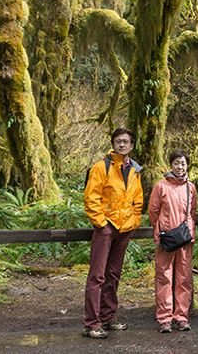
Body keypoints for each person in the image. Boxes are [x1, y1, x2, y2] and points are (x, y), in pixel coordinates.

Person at [83, 128, 143, 339]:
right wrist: (102, 223)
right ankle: (91, 323)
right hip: (106, 228)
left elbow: (138, 200)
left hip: (124, 229)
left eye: (126, 141)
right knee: (96, 276)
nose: (122, 145)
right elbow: (91, 197)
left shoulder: (135, 170)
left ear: (131, 145)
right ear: (113, 143)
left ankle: (108, 317)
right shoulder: (101, 167)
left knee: (113, 275)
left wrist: (134, 221)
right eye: (118, 141)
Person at [148, 149, 198, 333]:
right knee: (164, 277)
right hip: (166, 238)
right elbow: (153, 212)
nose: (180, 166)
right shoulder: (161, 186)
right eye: (176, 163)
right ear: (171, 165)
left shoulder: (190, 187)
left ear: (187, 165)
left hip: (185, 237)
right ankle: (164, 318)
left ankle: (181, 316)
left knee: (184, 278)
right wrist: (162, 228)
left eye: (183, 163)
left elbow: (192, 211)